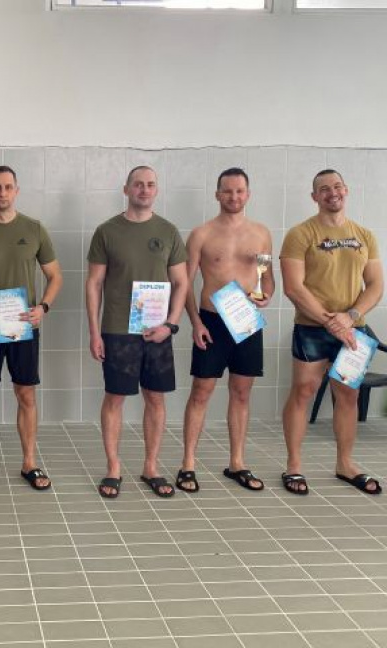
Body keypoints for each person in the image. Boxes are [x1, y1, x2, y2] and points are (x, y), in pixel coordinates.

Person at [85, 166, 188, 499]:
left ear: (156, 190)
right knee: (115, 397)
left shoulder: (168, 232)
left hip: (157, 330)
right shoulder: (107, 231)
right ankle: (113, 467)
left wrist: (170, 325)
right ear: (126, 189)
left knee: (155, 398)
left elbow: (182, 282)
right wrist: (94, 332)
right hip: (117, 331)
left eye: (150, 185)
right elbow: (94, 283)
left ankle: (151, 466)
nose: (144, 189)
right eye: (138, 184)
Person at [280, 169, 383, 496]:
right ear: (315, 197)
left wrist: (350, 318)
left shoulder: (365, 235)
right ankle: (294, 466)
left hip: (354, 330)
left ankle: (345, 463)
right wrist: (331, 322)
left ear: (346, 190)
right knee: (303, 391)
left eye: (337, 186)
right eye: (324, 189)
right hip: (313, 328)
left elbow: (376, 285)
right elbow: (294, 288)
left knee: (348, 395)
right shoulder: (300, 234)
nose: (332, 193)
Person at [0, 165, 63, 492]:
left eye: (8, 187)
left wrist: (43, 307)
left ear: (16, 190)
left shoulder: (34, 229)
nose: (2, 193)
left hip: (22, 328)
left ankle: (29, 462)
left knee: (26, 394)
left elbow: (55, 276)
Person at [177, 168, 274, 493]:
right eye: (228, 191)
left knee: (242, 392)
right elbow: (185, 283)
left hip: (246, 320)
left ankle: (237, 462)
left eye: (239, 191)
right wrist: (196, 322)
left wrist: (265, 295)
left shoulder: (261, 234)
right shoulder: (202, 234)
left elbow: (266, 277)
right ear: (217, 194)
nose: (234, 197)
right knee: (201, 391)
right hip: (213, 320)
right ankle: (188, 464)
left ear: (248, 194)